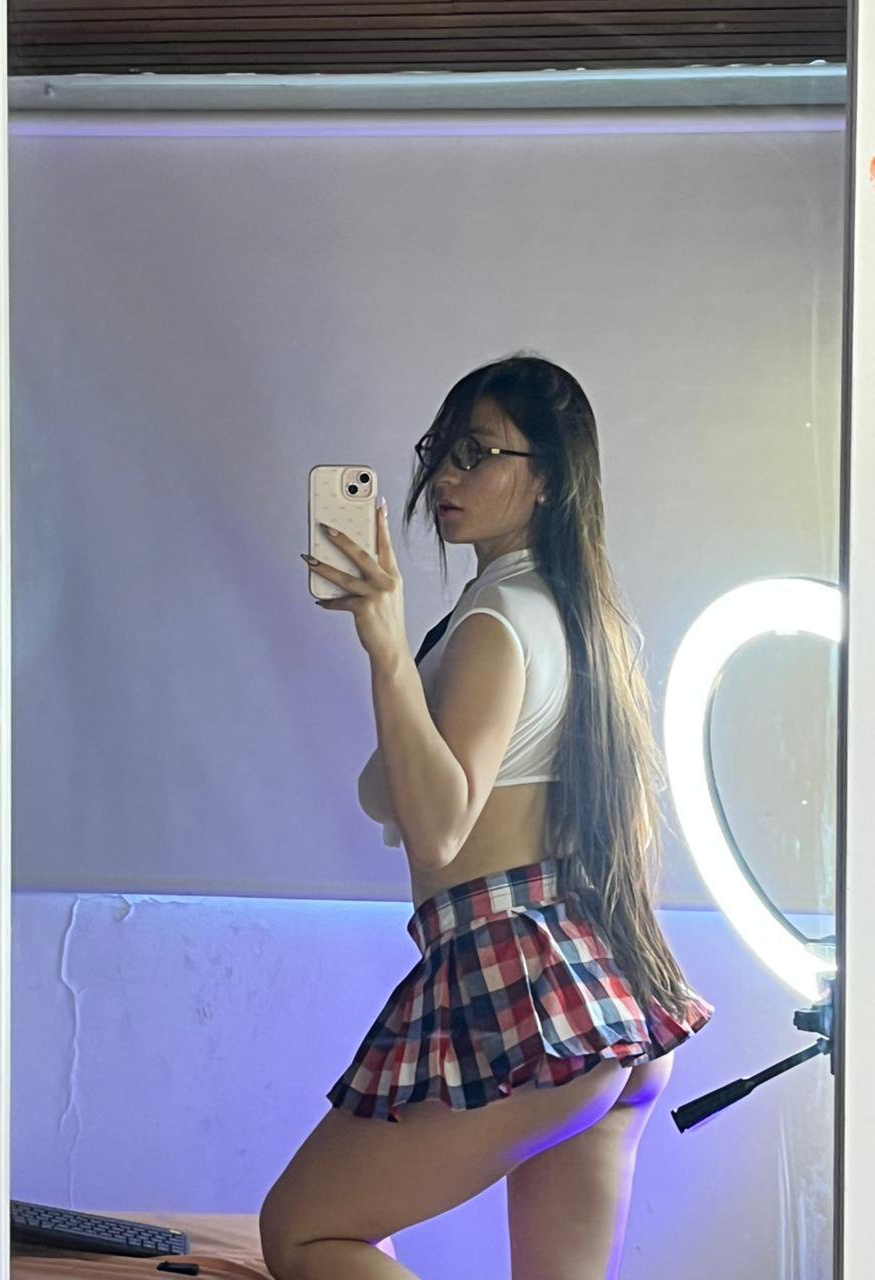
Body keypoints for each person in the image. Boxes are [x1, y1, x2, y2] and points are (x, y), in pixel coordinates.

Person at [260, 353, 714, 1280]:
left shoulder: (497, 622)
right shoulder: (574, 616)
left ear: (547, 479)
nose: (445, 476)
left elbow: (439, 829)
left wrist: (385, 644)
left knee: (302, 1232)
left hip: (521, 987)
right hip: (601, 994)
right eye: (441, 450)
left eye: (477, 453)